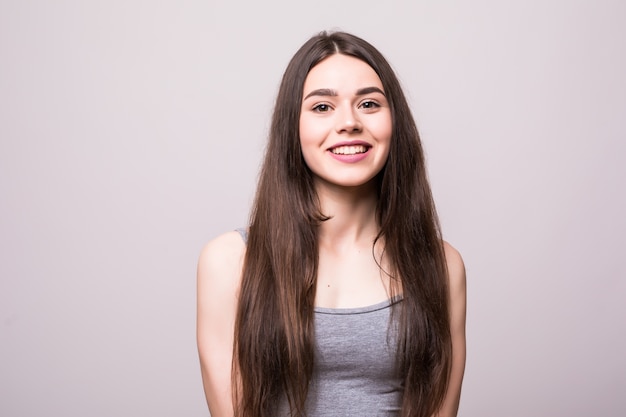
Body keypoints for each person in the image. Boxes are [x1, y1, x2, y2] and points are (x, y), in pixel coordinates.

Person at [197, 30, 466, 417]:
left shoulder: (442, 266)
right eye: (322, 107)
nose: (349, 123)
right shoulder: (228, 262)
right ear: (293, 127)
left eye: (369, 104)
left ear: (395, 122)